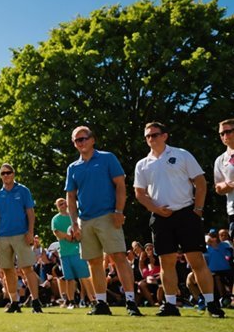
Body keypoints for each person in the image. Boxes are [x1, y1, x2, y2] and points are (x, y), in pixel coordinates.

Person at [134, 122, 225, 317]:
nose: (151, 139)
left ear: (165, 136)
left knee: (197, 261)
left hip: (186, 213)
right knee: (166, 263)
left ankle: (211, 304)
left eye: (155, 135)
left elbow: (200, 182)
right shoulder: (142, 164)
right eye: (148, 136)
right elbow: (140, 193)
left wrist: (198, 210)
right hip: (160, 218)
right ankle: (170, 305)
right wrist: (156, 209)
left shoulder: (182, 154)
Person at [64, 126, 142, 316]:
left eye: (83, 138)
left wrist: (119, 210)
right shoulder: (73, 168)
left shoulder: (107, 158)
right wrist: (74, 222)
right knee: (94, 262)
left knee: (119, 258)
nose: (80, 143)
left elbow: (120, 185)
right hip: (85, 220)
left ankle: (131, 302)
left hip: (108, 215)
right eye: (77, 140)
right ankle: (101, 303)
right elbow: (71, 197)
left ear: (92, 139)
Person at [0, 164, 42, 313]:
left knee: (28, 269)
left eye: (8, 172)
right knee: (7, 270)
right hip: (3, 236)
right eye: (3, 173)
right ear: (0, 176)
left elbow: (30, 213)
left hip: (21, 234)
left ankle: (36, 302)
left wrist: (30, 232)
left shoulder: (23, 190)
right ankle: (14, 302)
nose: (6, 175)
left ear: (13, 174)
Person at [50, 198, 95, 308]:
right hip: (64, 253)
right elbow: (56, 232)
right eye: (60, 204)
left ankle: (93, 299)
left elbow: (80, 230)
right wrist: (67, 236)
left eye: (64, 202)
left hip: (77, 251)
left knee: (84, 276)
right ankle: (70, 301)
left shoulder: (74, 217)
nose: (63, 205)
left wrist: (76, 236)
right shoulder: (55, 219)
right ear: (57, 206)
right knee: (69, 278)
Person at [214, 118, 234, 235]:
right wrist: (226, 186)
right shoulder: (220, 160)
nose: (224, 135)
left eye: (228, 131)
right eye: (222, 133)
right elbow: (218, 188)